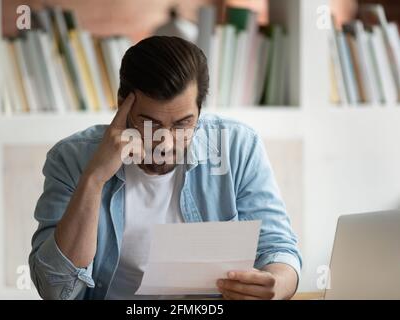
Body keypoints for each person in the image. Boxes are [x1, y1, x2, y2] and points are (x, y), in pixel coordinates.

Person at [29, 36, 302, 300]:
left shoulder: (237, 147)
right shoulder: (71, 159)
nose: (166, 144)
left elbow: (278, 250)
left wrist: (277, 284)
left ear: (199, 111)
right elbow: (56, 291)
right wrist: (94, 179)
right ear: (122, 105)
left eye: (183, 124)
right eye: (151, 124)